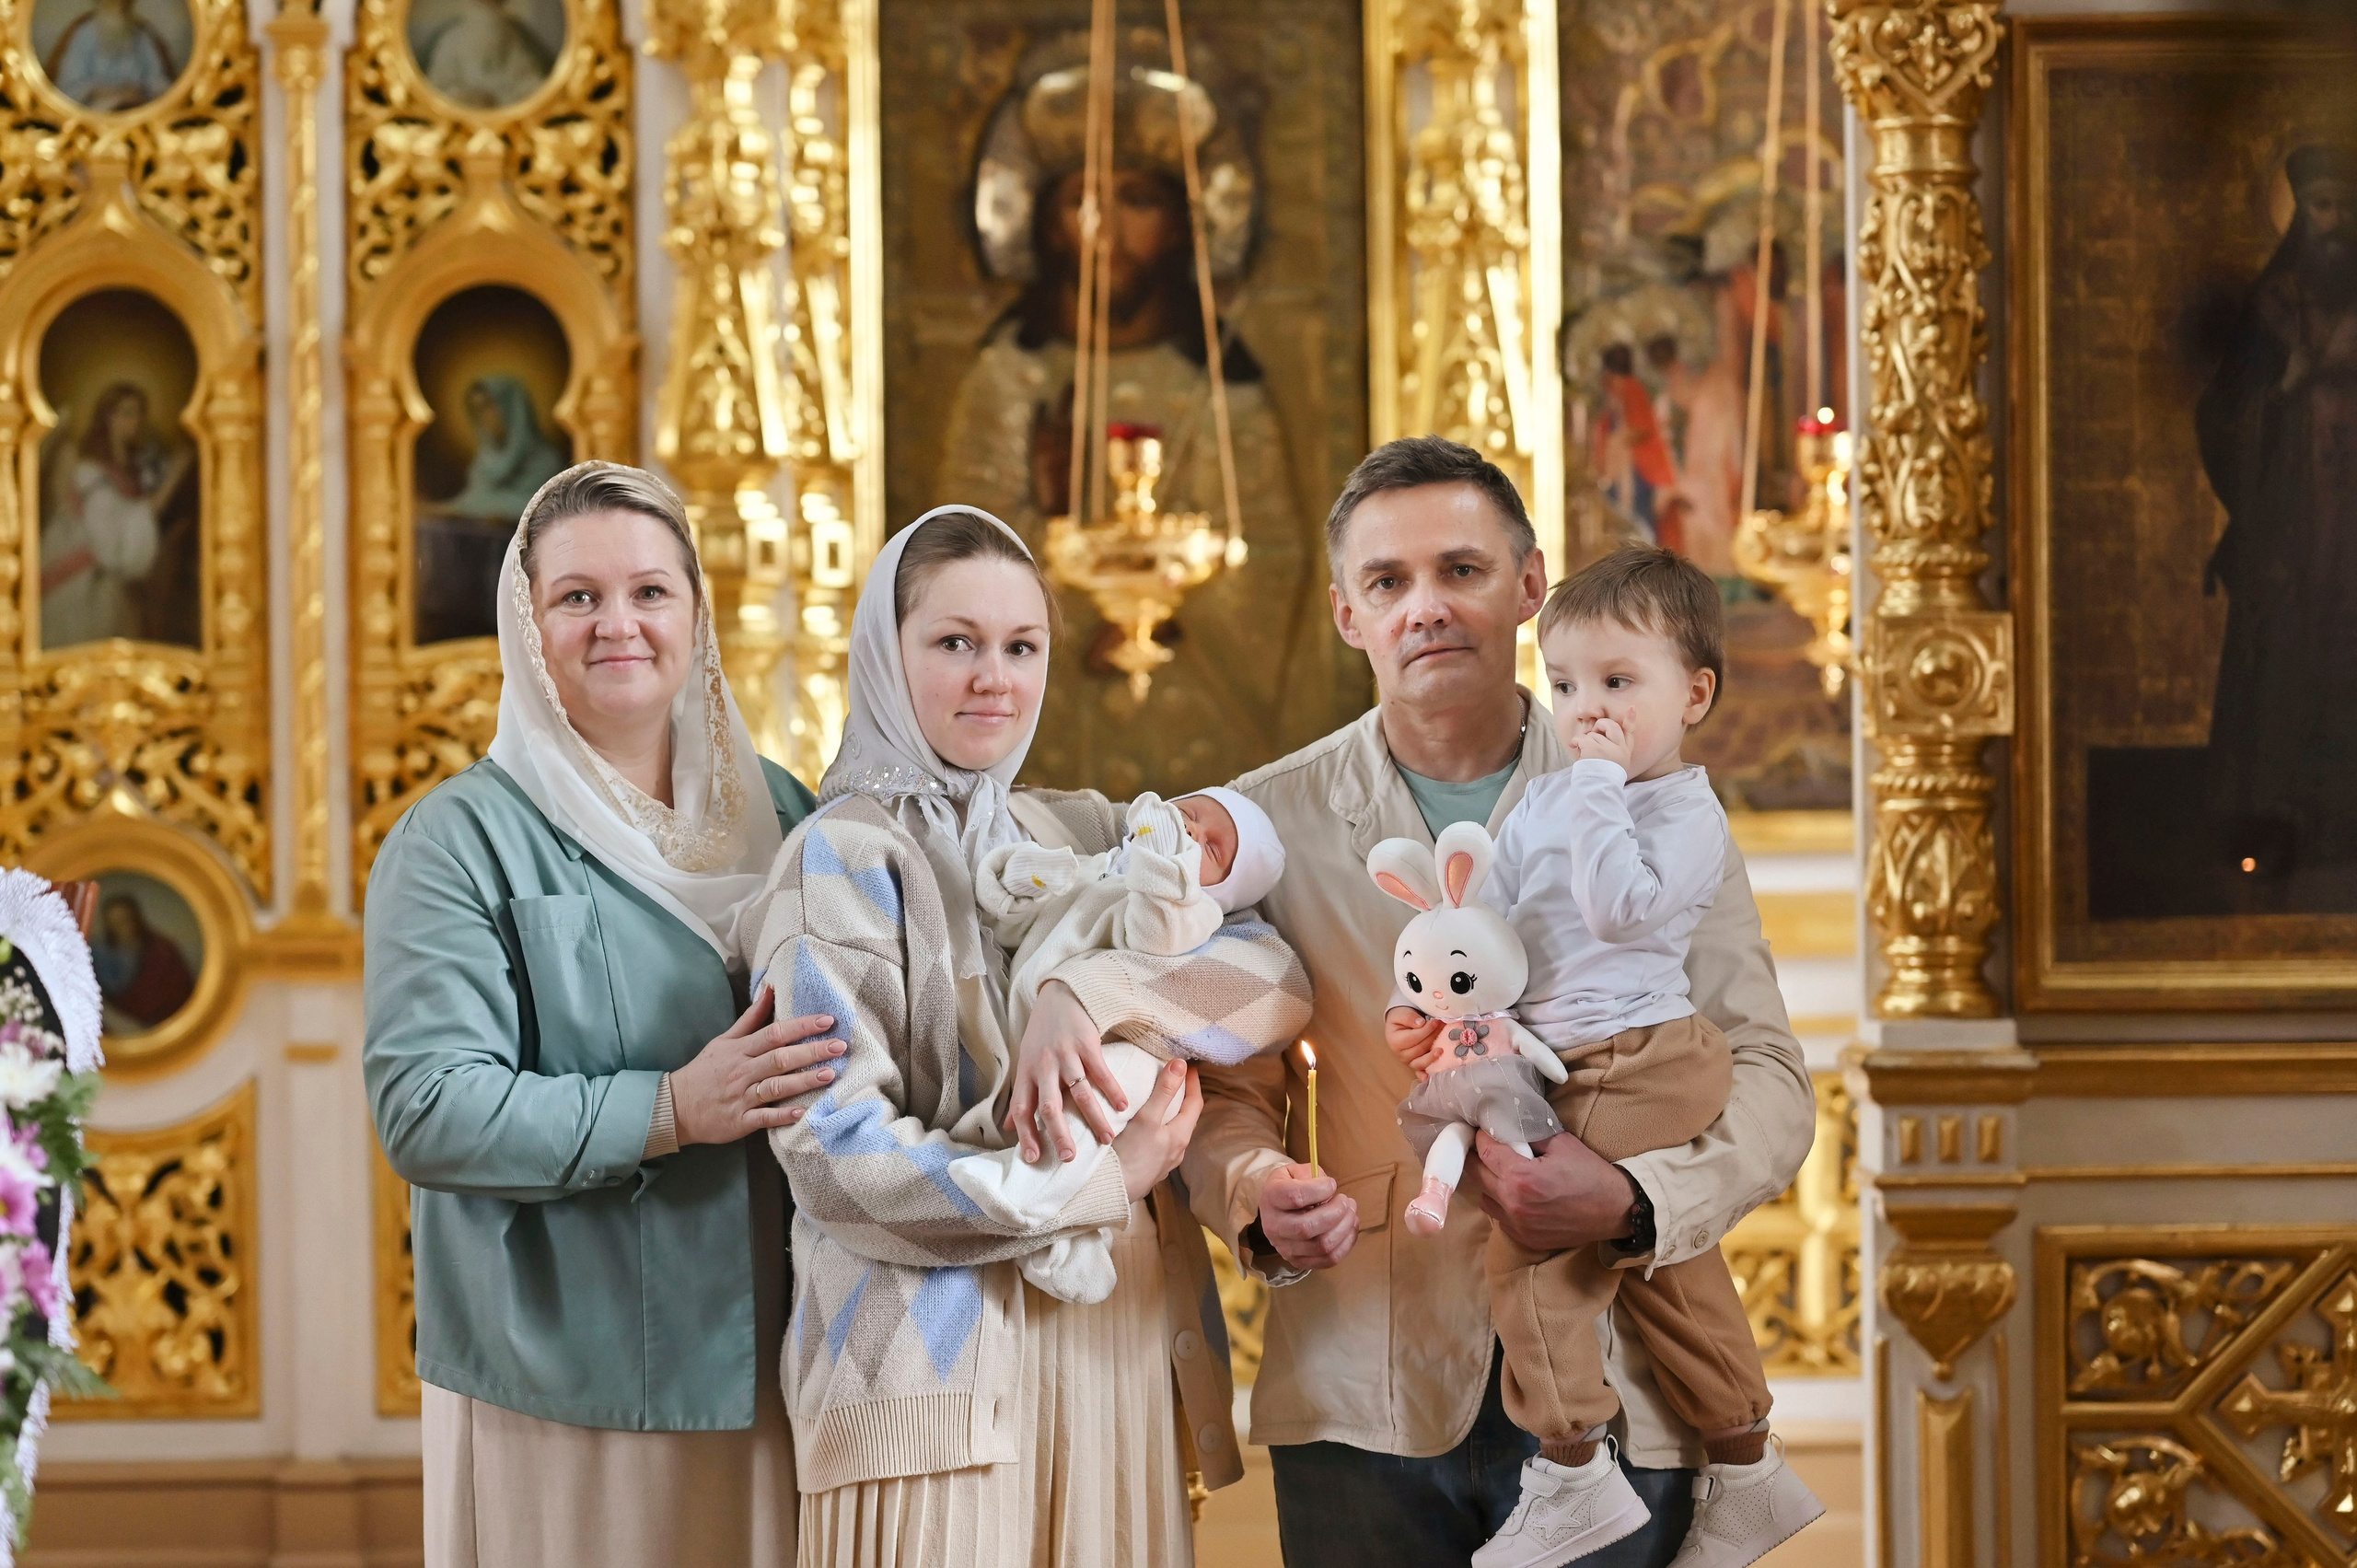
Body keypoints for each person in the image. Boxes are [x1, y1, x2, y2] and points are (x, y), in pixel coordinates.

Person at [1180, 436, 1816, 1566]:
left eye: (1461, 570)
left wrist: (1633, 1197)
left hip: (1623, 1387)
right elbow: (1224, 1092)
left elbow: (1767, 1074)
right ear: (1346, 612)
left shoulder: (1658, 799)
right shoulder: (1263, 827)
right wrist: (1253, 1189)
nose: (1425, 605)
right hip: (1359, 1390)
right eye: (1388, 580)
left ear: (1528, 586)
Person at [750, 505, 1309, 1566]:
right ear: (886, 653)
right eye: (954, 642)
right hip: (923, 1377)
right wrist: (1091, 1183)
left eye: (1021, 646)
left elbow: (1274, 983)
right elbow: (837, 1160)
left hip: (1115, 1352)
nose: (992, 678)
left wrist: (1087, 992)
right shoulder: (835, 860)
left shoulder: (1087, 827)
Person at [363, 461, 846, 1568]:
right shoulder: (455, 840)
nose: (617, 624)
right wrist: (669, 1106)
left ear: (696, 614)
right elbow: (426, 1109)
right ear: (526, 626)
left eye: (650, 592)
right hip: (573, 1371)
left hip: (787, 1342)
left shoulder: (786, 806)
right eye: (577, 596)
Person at [1414, 547, 1820, 1567]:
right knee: (1659, 1262)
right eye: (1564, 686)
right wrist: (1427, 1000)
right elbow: (1489, 923)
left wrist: (1594, 783)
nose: (1584, 710)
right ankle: (1750, 1463)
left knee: (1531, 1252)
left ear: (1695, 695)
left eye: (1617, 683)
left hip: (1644, 1055)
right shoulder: (1549, 801)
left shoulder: (1684, 813)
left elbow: (1620, 907)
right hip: (1572, 1055)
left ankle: (1573, 1469)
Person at [2196, 143, 2357, 869]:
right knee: (2287, 660)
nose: (2337, 220)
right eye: (2322, 205)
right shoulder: (2272, 308)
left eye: (2346, 205)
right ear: (2299, 216)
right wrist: (2285, 388)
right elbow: (2221, 412)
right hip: (2293, 526)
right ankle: (2276, 827)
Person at [40, 383, 192, 648]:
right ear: (108, 417)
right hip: (81, 584)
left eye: (139, 413)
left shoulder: (132, 466)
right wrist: (173, 477)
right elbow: (117, 534)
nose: (136, 420)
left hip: (108, 578)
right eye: (128, 412)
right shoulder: (88, 468)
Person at [415, 0, 553, 110]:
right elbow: (437, 89)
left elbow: (532, 84)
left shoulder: (515, 38)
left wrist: (501, 100)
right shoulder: (451, 40)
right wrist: (468, 97)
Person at [45, 0, 178, 111]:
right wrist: (110, 92)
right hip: (94, 113)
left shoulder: (141, 35)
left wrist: (143, 92)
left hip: (136, 110)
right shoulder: (84, 35)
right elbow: (69, 86)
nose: (119, 6)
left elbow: (157, 80)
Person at [89, 895, 195, 1032]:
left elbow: (180, 991)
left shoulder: (162, 951)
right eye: (114, 924)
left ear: (136, 919)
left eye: (125, 920)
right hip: (121, 1026)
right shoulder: (102, 956)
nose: (121, 928)